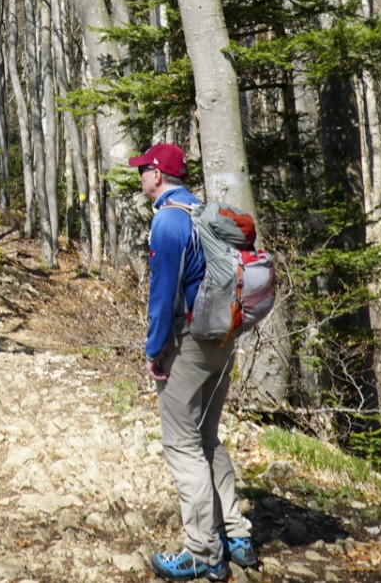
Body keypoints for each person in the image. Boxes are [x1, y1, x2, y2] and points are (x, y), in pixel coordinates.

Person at [128, 142, 257, 582]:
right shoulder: (202, 211)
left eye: (144, 168)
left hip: (191, 341)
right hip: (225, 337)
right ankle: (237, 535)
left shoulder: (167, 221)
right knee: (206, 438)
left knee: (182, 444)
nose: (140, 175)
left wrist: (153, 350)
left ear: (159, 176)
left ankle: (203, 552)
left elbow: (162, 297)